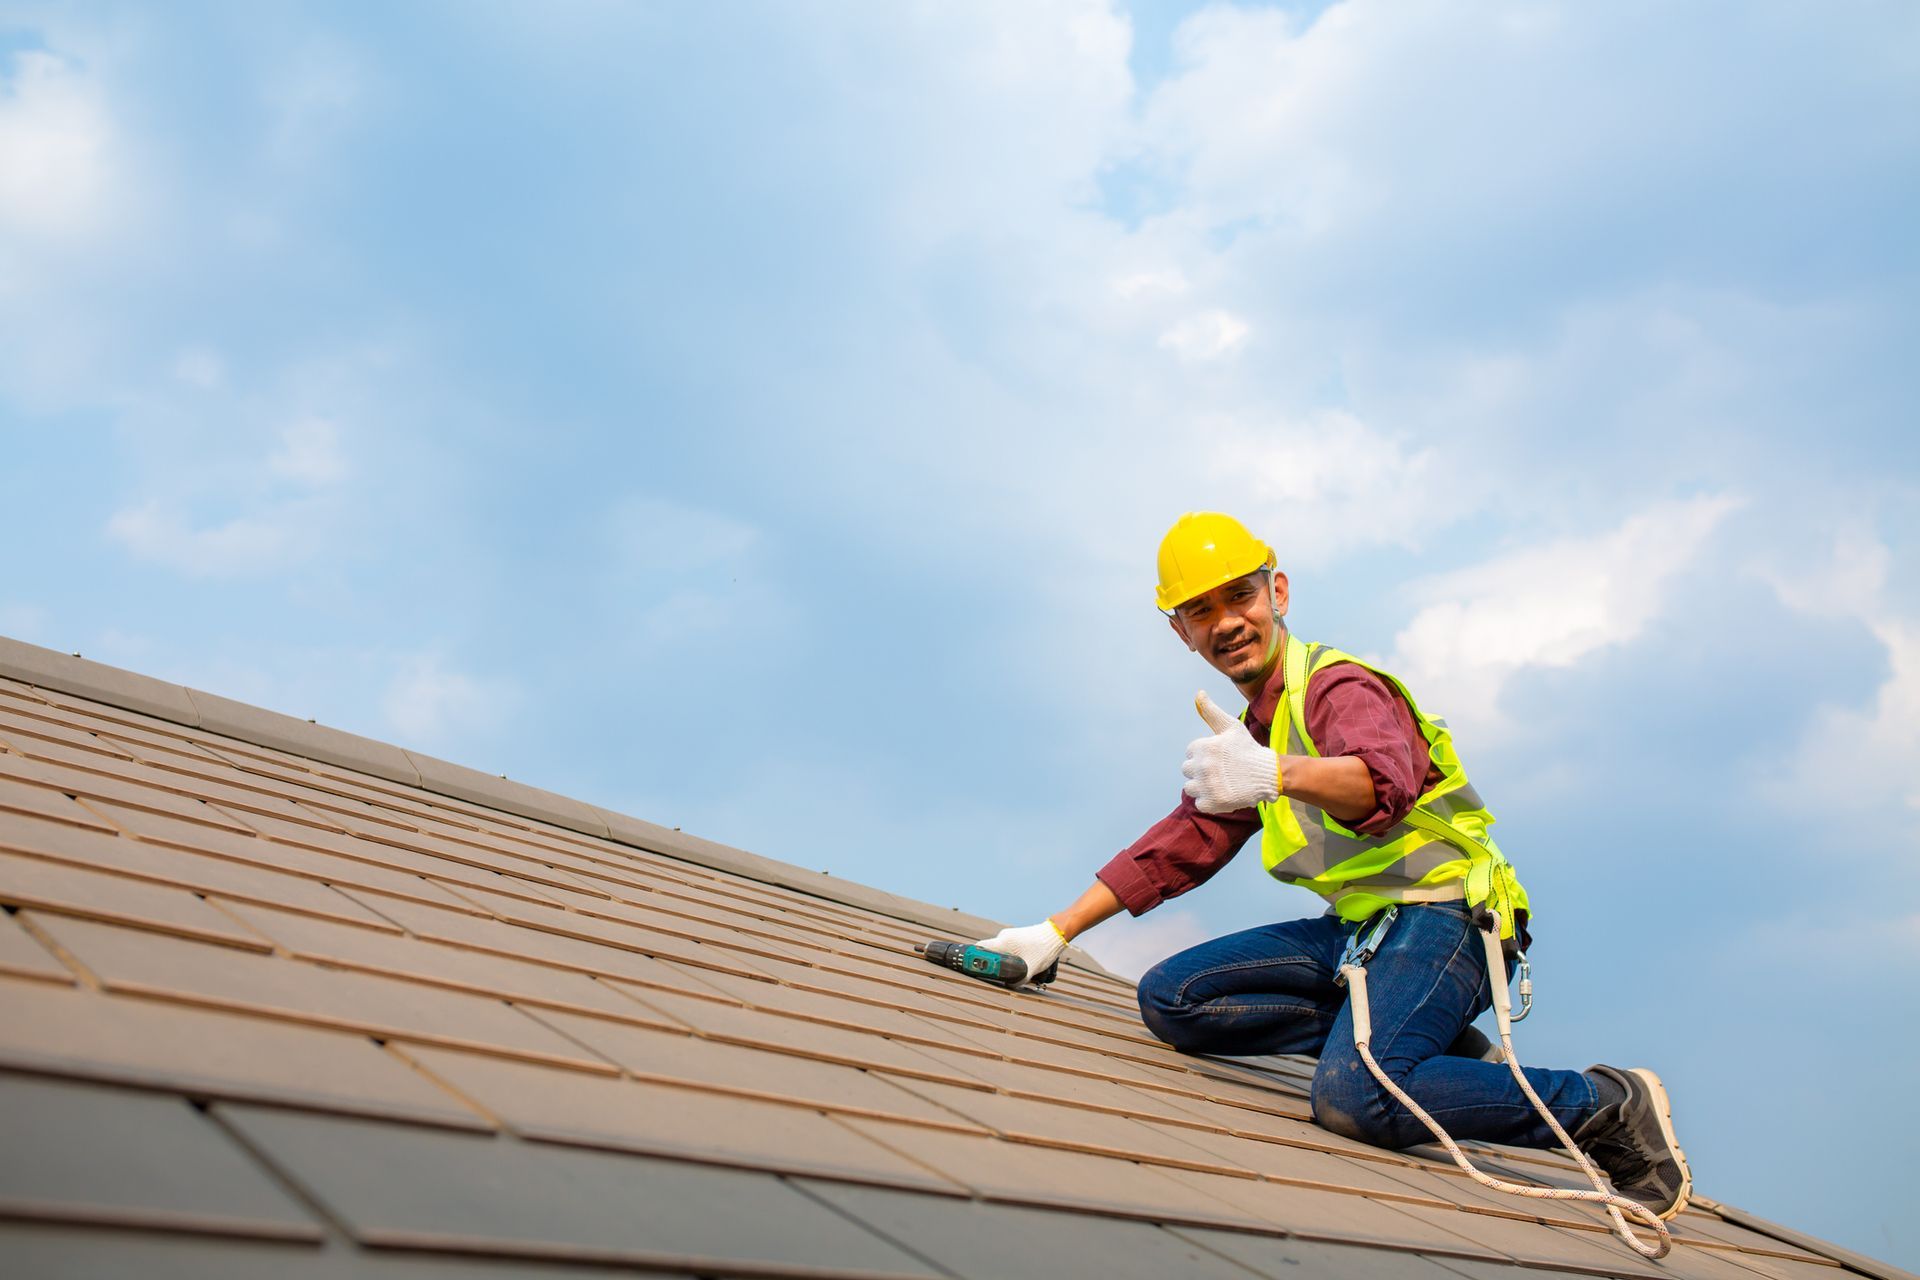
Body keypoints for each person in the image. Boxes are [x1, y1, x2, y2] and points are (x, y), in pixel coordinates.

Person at [977, 511, 1691, 1221]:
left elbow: (1382, 783)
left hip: (1449, 918)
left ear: (1278, 592)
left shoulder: (1337, 690)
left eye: (1241, 597)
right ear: (1181, 633)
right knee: (1175, 999)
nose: (1226, 622)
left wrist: (1275, 773)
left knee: (1355, 1098)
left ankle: (1602, 1107)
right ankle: (1427, 1046)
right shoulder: (1256, 736)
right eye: (1201, 610)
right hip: (1365, 929)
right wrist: (1056, 933)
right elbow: (1183, 842)